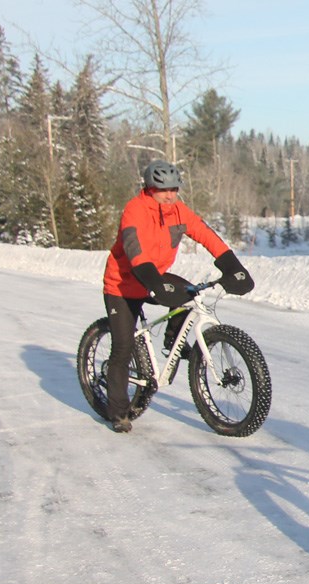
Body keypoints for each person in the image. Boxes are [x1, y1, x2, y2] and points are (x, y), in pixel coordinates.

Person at [101, 160, 255, 433]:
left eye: (174, 188)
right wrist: (154, 284)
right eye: (163, 190)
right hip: (123, 284)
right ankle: (118, 412)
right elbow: (134, 250)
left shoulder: (178, 211)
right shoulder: (134, 211)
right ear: (149, 188)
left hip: (155, 275)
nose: (170, 195)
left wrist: (232, 266)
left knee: (190, 294)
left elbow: (206, 235)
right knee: (123, 348)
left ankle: (174, 337)